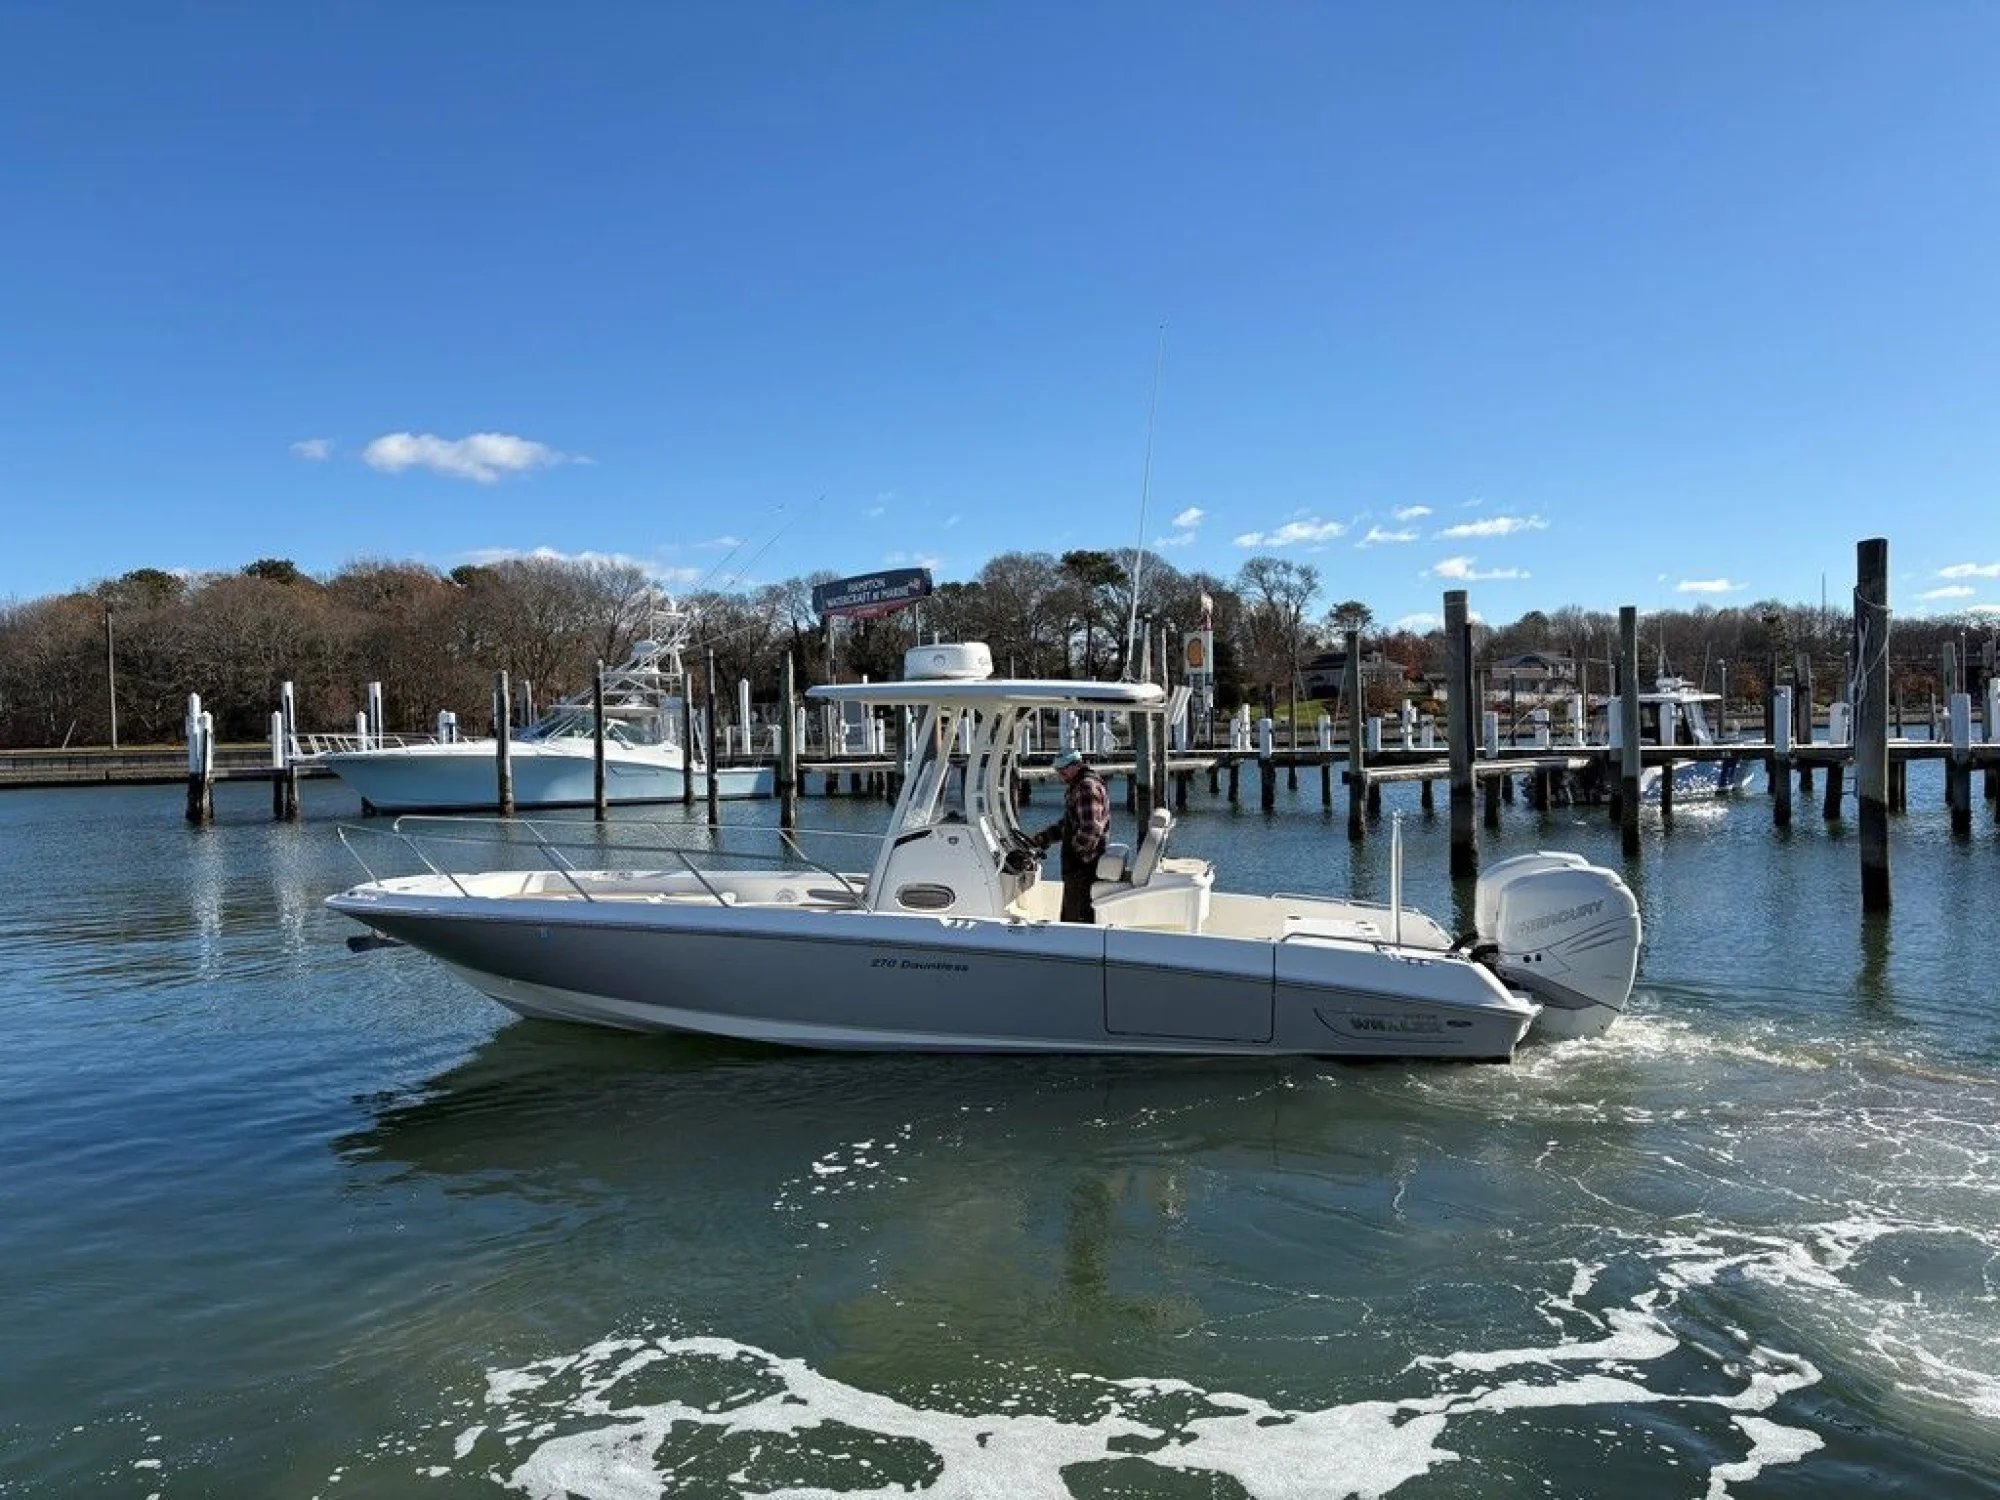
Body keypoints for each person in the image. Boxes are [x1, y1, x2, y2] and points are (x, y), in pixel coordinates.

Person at [1034, 748, 1111, 924]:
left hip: (1084, 866)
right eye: (1058, 771)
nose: (1060, 775)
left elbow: (1091, 828)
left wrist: (1075, 852)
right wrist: (1042, 838)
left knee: (1077, 918)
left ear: (1076, 766)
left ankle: (1077, 948)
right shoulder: (1081, 785)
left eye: (1063, 770)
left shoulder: (1085, 787)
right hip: (1083, 864)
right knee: (1073, 913)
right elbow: (1070, 824)